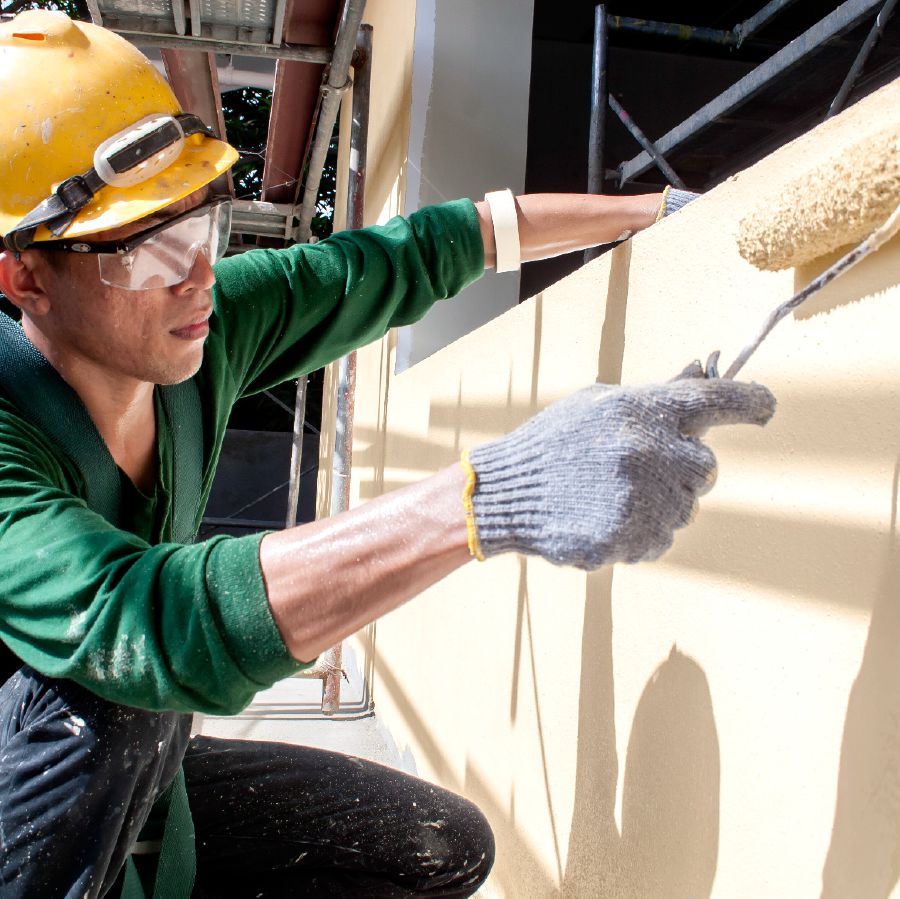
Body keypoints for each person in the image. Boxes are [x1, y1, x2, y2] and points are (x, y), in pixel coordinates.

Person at [0, 11, 775, 899]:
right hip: (34, 803)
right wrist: (488, 497)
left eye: (203, 228)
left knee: (442, 847)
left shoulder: (204, 331)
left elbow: (423, 251)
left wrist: (661, 214)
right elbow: (140, 620)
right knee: (104, 697)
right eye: (149, 251)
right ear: (25, 276)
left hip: (146, 803)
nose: (199, 275)